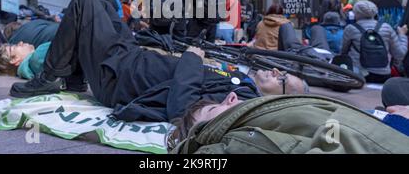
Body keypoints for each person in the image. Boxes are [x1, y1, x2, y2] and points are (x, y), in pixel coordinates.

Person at [0, 0, 307, 123]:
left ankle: (48, 78)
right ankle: (74, 76)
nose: (275, 72)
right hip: (130, 58)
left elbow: (181, 109)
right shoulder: (242, 80)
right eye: (282, 72)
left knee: (83, 3)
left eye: (281, 80)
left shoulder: (238, 96)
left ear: (276, 99)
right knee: (103, 5)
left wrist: (192, 60)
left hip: (119, 75)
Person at [168, 92, 409, 154]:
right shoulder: (229, 142)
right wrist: (398, 124)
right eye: (214, 109)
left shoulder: (247, 128)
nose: (231, 98)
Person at [341, 0, 408, 83]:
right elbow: (400, 54)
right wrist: (402, 35)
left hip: (359, 75)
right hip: (383, 75)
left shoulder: (350, 29)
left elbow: (343, 52)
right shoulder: (387, 28)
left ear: (356, 13)